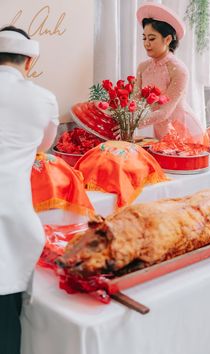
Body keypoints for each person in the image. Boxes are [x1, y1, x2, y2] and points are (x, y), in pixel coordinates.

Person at [0, 26, 59, 354]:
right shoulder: (43, 98)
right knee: (6, 315)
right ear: (28, 60)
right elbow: (44, 146)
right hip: (11, 217)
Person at [136, 2, 209, 145]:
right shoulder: (142, 68)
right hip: (160, 131)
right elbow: (135, 101)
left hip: (184, 132)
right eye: (144, 38)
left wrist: (133, 123)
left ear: (168, 39)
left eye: (151, 38)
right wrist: (122, 118)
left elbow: (165, 112)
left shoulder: (179, 70)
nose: (146, 43)